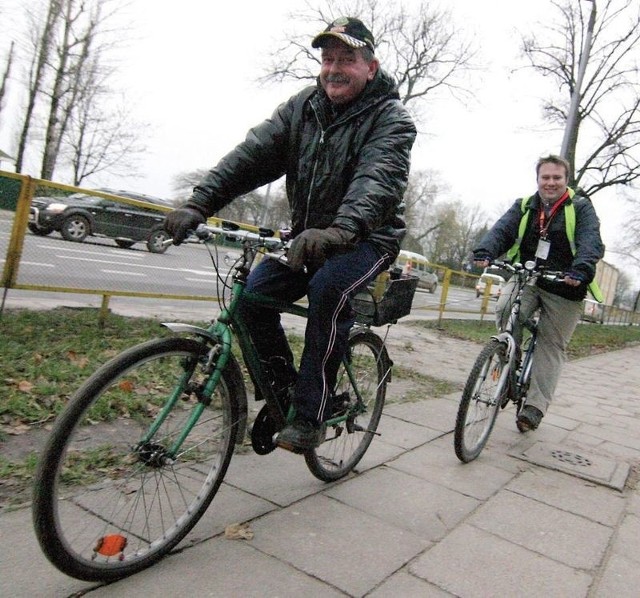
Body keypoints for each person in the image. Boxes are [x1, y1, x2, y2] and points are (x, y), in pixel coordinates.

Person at [164, 17, 417, 451]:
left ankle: (311, 415)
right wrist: (199, 202)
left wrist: (341, 229)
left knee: (328, 290)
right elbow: (252, 156)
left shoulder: (391, 119)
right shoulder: (304, 107)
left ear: (371, 67)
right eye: (328, 59)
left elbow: (378, 180)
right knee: (250, 298)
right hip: (307, 237)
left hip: (367, 237)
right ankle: (284, 394)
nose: (334, 68)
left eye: (347, 60)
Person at [473, 154, 604, 432]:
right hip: (529, 277)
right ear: (538, 180)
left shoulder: (580, 208)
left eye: (557, 177)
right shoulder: (525, 206)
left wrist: (580, 269)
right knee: (506, 307)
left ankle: (534, 407)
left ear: (566, 180)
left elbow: (590, 240)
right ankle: (511, 357)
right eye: (545, 177)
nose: (551, 182)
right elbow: (502, 229)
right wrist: (485, 250)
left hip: (566, 285)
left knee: (551, 344)